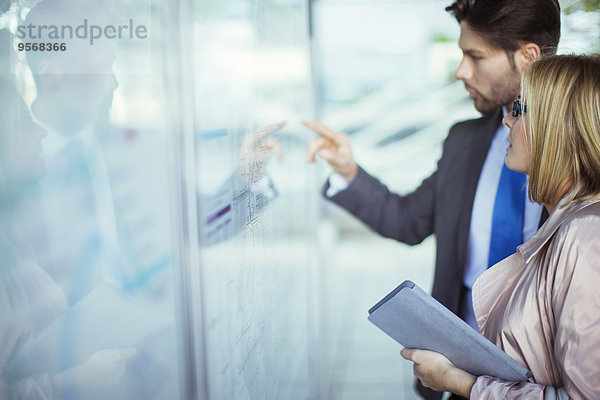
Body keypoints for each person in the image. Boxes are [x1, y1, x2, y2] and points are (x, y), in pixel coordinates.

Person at [304, 1, 560, 397]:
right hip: (456, 374)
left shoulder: (584, 157)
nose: (461, 71)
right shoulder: (464, 141)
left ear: (528, 58)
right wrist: (348, 171)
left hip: (547, 378)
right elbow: (407, 221)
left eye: (475, 56)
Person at [402, 53, 600, 399]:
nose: (507, 121)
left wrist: (459, 382)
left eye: (520, 110)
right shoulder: (566, 223)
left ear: (557, 128)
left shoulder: (584, 237)